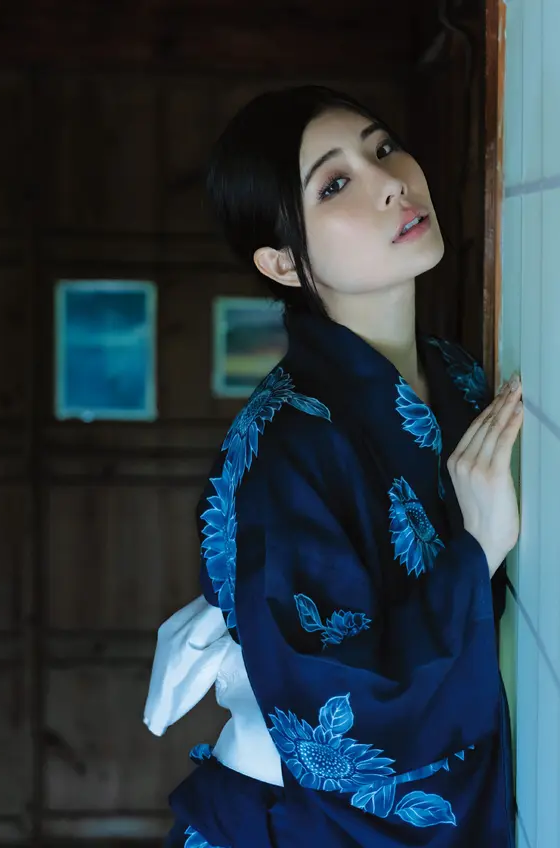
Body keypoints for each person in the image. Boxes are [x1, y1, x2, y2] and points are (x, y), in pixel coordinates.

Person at [144, 85, 522, 847]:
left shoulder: (457, 376)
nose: (391, 183)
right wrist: (476, 549)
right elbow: (335, 721)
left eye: (384, 148)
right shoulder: (282, 447)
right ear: (283, 263)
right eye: (336, 182)